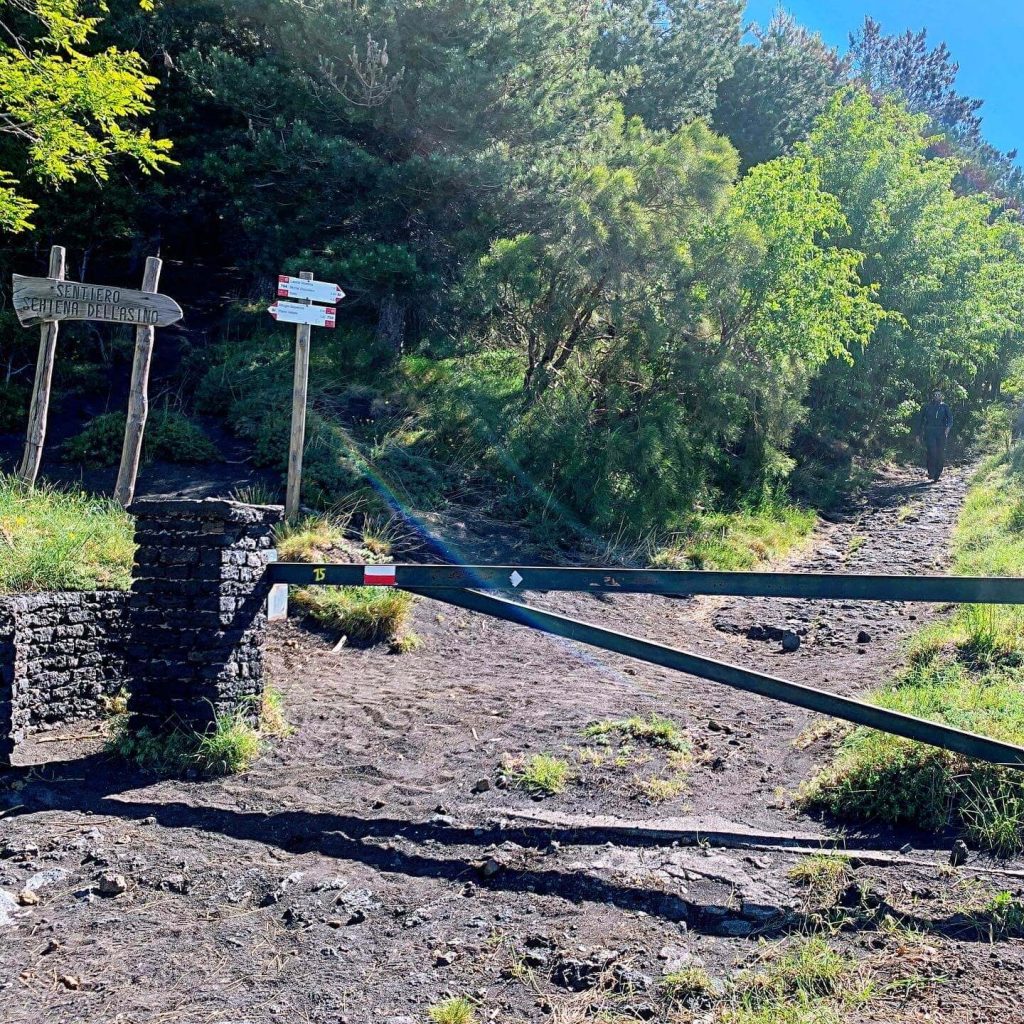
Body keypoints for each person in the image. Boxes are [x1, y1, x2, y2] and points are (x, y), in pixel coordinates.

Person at [918, 388, 953, 482]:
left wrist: (947, 429)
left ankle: (938, 474)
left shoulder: (944, 407)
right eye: (935, 395)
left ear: (941, 396)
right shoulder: (927, 407)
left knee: (940, 453)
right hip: (930, 431)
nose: (937, 396)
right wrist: (918, 433)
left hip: (941, 432)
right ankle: (931, 472)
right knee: (931, 452)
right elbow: (920, 420)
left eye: (939, 395)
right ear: (932, 396)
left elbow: (950, 419)